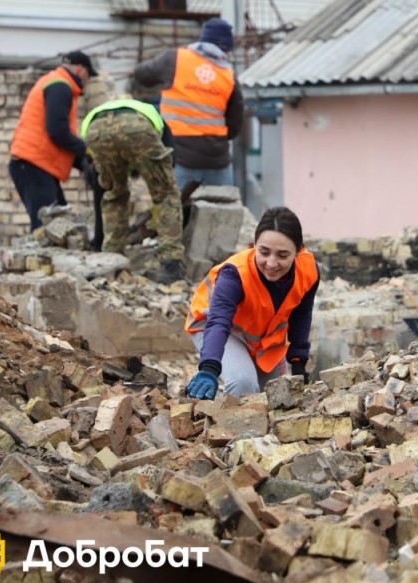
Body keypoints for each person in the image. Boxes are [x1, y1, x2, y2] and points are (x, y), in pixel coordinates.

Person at [184, 207, 320, 400]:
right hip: (215, 327)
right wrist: (209, 368)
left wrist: (298, 363)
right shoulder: (235, 274)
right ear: (254, 244)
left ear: (298, 250)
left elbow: (301, 316)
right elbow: (219, 322)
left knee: (273, 397)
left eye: (282, 255)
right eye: (264, 252)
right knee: (243, 383)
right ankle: (229, 430)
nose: (271, 263)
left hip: (261, 339)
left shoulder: (308, 271)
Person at [81, 97, 186, 284]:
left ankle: (111, 261)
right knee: (166, 194)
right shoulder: (159, 124)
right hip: (136, 128)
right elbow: (171, 165)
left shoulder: (111, 110)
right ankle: (171, 263)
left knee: (114, 196)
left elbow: (96, 177)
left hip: (95, 129)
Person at [133, 18, 244, 194]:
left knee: (175, 216)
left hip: (178, 157)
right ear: (226, 49)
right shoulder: (229, 76)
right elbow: (235, 125)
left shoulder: (175, 58)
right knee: (222, 214)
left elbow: (141, 75)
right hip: (217, 160)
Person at [9, 51, 98, 231]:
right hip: (33, 165)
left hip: (37, 165)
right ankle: (40, 260)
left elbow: (58, 137)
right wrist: (85, 150)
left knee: (59, 225)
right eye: (89, 76)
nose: (87, 82)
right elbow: (57, 131)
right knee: (48, 228)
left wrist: (82, 162)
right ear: (81, 70)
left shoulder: (56, 82)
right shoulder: (61, 86)